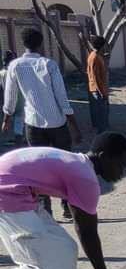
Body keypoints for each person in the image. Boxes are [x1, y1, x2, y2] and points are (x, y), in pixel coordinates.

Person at [0, 131, 126, 269]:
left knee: (65, 250)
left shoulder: (78, 166)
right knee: (39, 265)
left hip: (22, 194)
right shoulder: (85, 178)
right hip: (8, 194)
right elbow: (86, 231)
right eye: (120, 164)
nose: (122, 171)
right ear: (104, 156)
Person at [2, 27, 81, 219]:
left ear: (24, 44)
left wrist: (7, 119)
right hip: (58, 124)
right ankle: (67, 206)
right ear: (41, 43)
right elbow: (62, 98)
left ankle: (46, 210)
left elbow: (10, 97)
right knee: (64, 166)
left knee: (39, 168)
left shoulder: (15, 66)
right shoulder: (49, 65)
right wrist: (74, 125)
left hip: (33, 124)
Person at [86, 34, 110, 132]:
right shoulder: (95, 57)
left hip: (95, 88)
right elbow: (96, 77)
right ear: (102, 45)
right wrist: (102, 92)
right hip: (97, 89)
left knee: (99, 113)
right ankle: (101, 133)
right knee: (102, 114)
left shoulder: (94, 55)